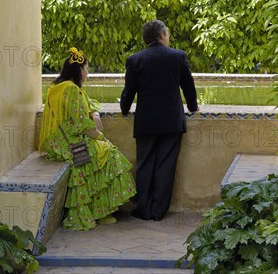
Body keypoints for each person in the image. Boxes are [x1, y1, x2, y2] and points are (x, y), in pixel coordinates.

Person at [39, 47, 136, 230]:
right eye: (86, 68)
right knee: (110, 155)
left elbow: (81, 110)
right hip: (69, 144)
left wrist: (93, 113)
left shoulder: (57, 87)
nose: (87, 72)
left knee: (99, 154)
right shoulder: (73, 90)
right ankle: (98, 212)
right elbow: (81, 123)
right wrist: (101, 137)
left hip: (56, 142)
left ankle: (97, 210)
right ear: (79, 70)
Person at [120, 20, 198, 221]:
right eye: (168, 34)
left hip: (146, 122)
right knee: (166, 165)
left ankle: (143, 209)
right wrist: (193, 107)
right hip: (171, 121)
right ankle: (158, 212)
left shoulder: (135, 60)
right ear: (162, 36)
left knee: (144, 164)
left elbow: (129, 92)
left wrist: (124, 109)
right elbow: (188, 87)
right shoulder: (177, 57)